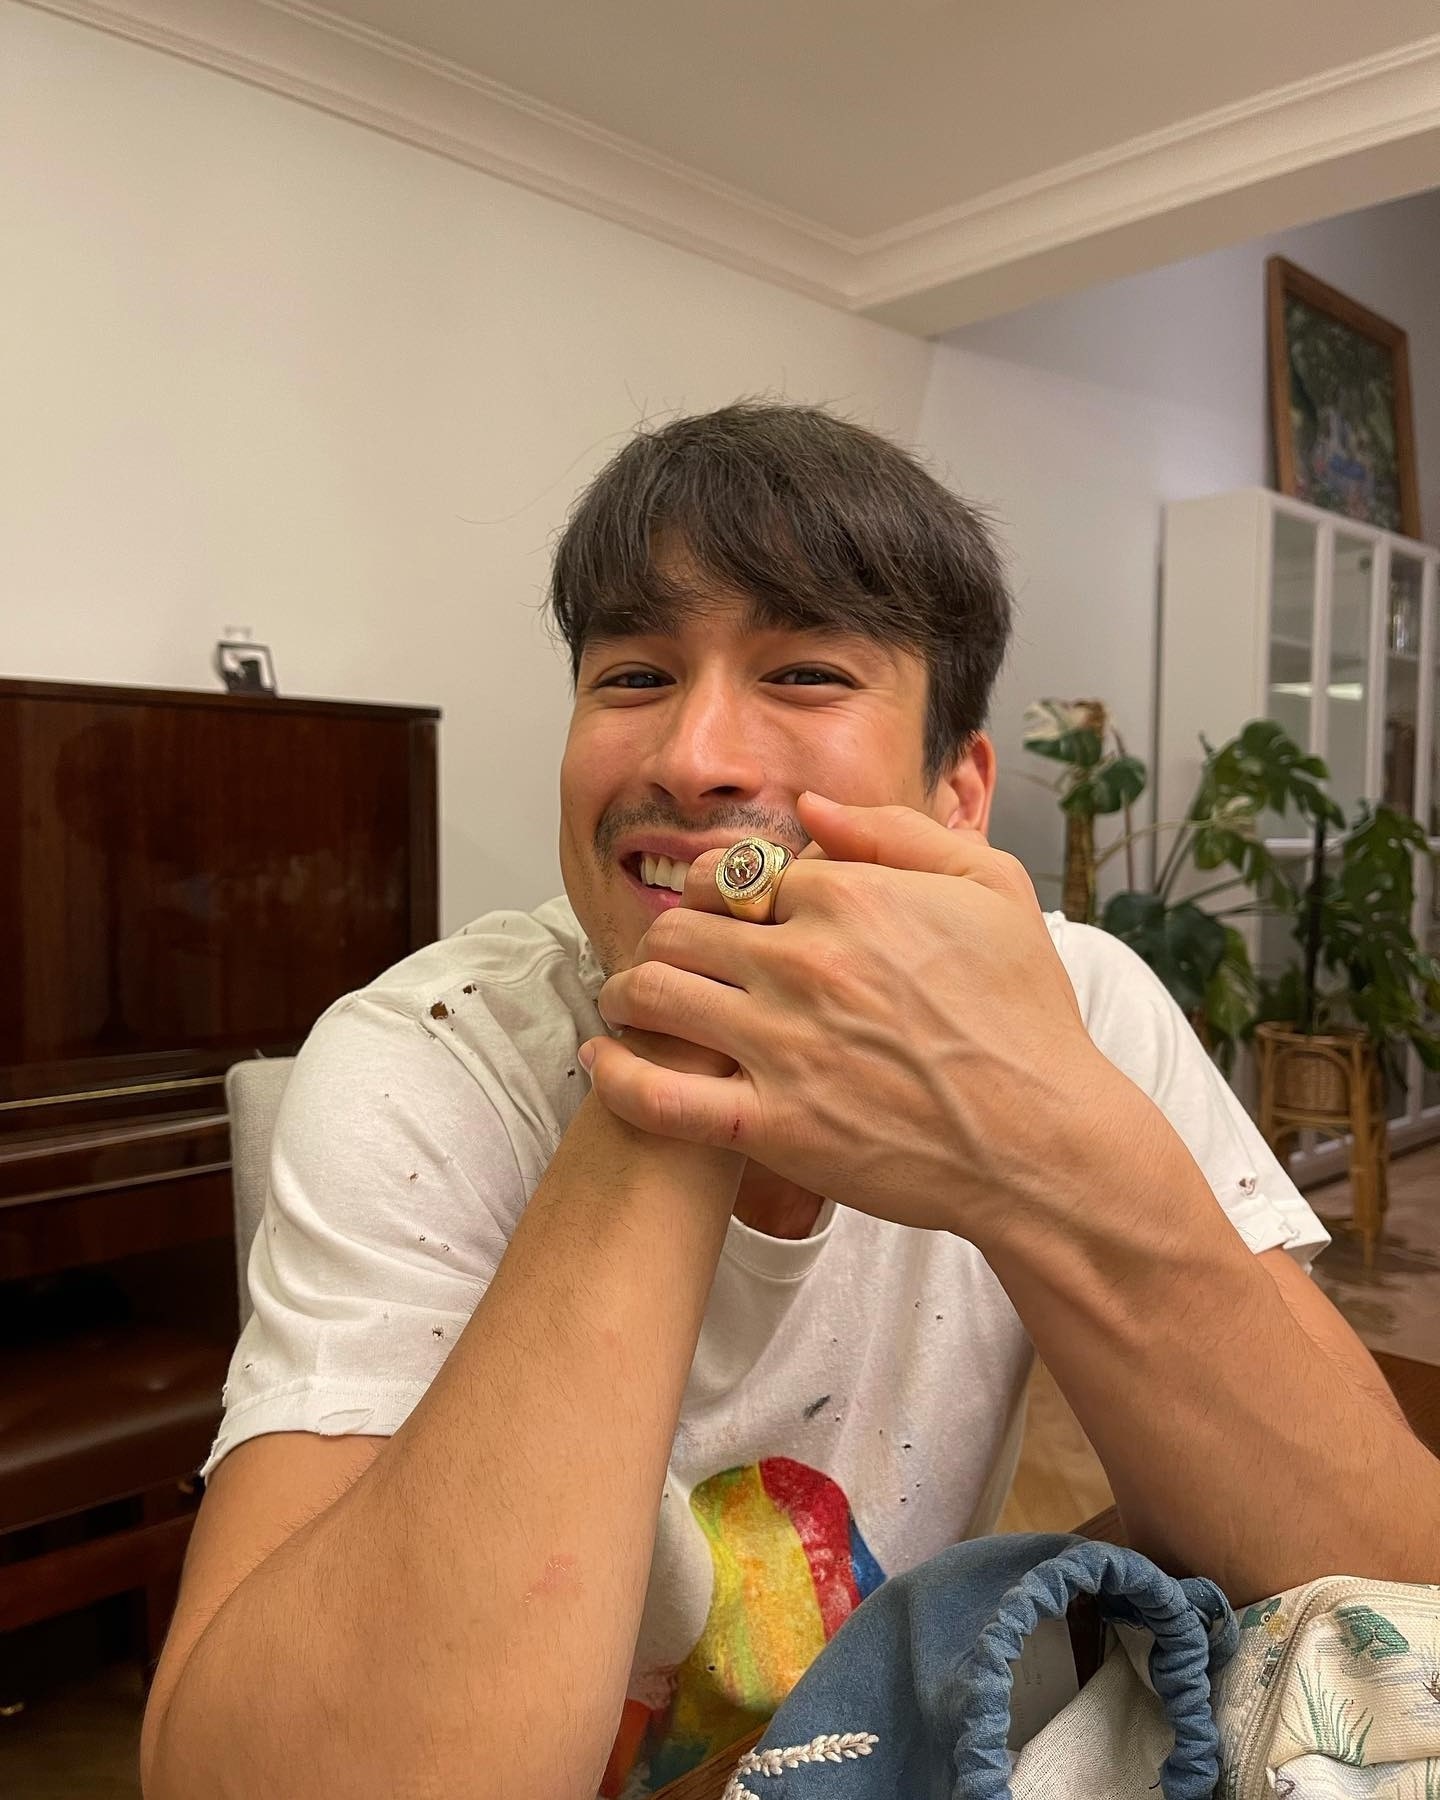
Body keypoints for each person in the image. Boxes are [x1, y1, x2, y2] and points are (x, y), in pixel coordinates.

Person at [139, 404, 1438, 1800]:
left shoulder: (1077, 1009)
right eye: (633, 675)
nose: (693, 753)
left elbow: (1388, 1589)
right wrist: (688, 1055)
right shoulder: (427, 1056)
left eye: (807, 672)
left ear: (958, 794)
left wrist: (1032, 1139)